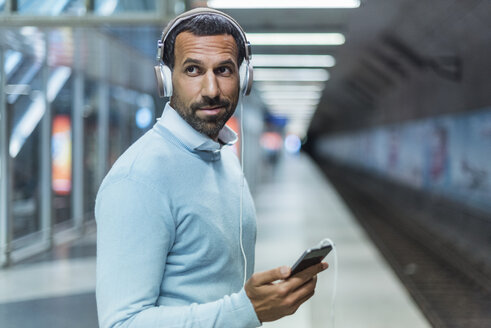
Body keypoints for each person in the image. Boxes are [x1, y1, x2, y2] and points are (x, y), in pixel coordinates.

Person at [95, 8, 328, 328]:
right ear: (165, 79)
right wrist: (247, 311)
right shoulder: (139, 179)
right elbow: (122, 323)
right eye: (192, 70)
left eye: (224, 70)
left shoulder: (224, 156)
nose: (211, 89)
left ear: (244, 79)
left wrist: (262, 301)